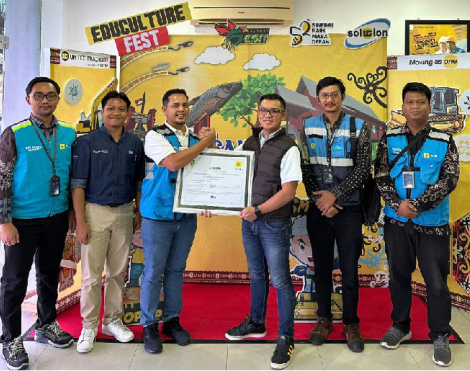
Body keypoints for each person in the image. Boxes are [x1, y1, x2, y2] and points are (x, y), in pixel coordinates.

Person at [374, 82, 460, 367]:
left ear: (429, 105)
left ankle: (439, 335)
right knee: (399, 276)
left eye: (420, 102)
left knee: (436, 283)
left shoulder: (444, 139)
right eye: (409, 102)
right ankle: (400, 326)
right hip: (397, 221)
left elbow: (450, 179)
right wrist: (399, 204)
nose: (414, 107)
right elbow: (381, 174)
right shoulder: (390, 137)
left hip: (432, 224)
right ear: (403, 106)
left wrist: (419, 205)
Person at [0, 76, 77, 370]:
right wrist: (5, 221)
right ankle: (10, 339)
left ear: (58, 99)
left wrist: (69, 211)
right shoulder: (14, 134)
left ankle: (46, 324)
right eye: (38, 95)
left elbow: (71, 176)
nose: (45, 100)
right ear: (28, 98)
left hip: (56, 218)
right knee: (14, 281)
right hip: (21, 221)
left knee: (48, 275)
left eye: (51, 95)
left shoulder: (69, 132)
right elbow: (1, 180)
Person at [216, 94, 300, 369]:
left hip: (273, 223)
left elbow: (288, 192)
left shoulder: (289, 147)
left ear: (282, 115)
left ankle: (286, 337)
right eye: (263, 110)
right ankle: (256, 322)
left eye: (274, 111)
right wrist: (211, 201)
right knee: (256, 275)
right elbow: (234, 180)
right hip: (249, 222)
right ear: (257, 112)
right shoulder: (249, 143)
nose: (267, 115)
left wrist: (259, 210)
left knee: (280, 280)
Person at [139, 88, 218, 354]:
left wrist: (209, 199)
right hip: (158, 215)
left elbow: (210, 169)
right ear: (165, 109)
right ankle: (149, 325)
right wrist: (204, 144)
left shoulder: (195, 137)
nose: (181, 109)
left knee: (176, 270)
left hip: (186, 217)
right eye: (175, 105)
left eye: (185, 105)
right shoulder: (154, 135)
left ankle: (171, 319)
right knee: (153, 272)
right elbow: (173, 163)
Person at [299, 77, 371, 352]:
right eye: (324, 96)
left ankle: (351, 324)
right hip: (319, 210)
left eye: (334, 95)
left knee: (350, 271)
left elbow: (364, 168)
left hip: (349, 211)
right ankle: (324, 319)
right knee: (322, 269)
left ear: (343, 97)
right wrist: (321, 199)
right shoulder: (307, 126)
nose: (329, 100)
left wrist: (336, 196)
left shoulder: (359, 127)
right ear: (318, 99)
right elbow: (304, 166)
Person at [70, 91, 143, 353]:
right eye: (110, 109)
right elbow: (77, 185)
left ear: (128, 114)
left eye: (121, 109)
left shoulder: (134, 143)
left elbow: (138, 181)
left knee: (117, 272)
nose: (116, 113)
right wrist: (81, 222)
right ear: (102, 112)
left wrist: (137, 211)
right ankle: (88, 325)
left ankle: (112, 320)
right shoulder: (87, 142)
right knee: (91, 275)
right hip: (94, 212)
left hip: (124, 212)